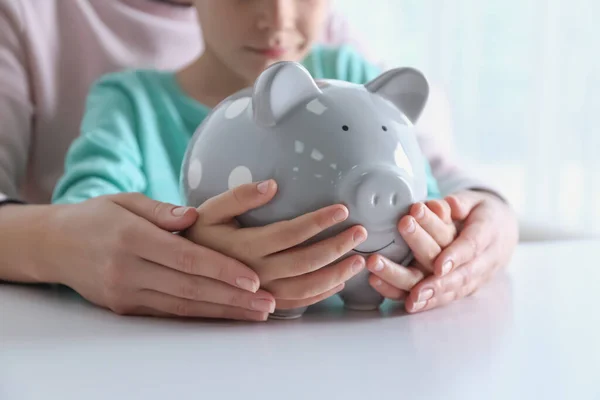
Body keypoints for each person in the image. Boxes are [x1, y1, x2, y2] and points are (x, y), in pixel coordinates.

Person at [0, 0, 518, 320]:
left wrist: (470, 225)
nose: (277, 18)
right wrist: (184, 252)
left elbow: (436, 184)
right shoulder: (129, 103)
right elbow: (86, 216)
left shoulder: (350, 69)